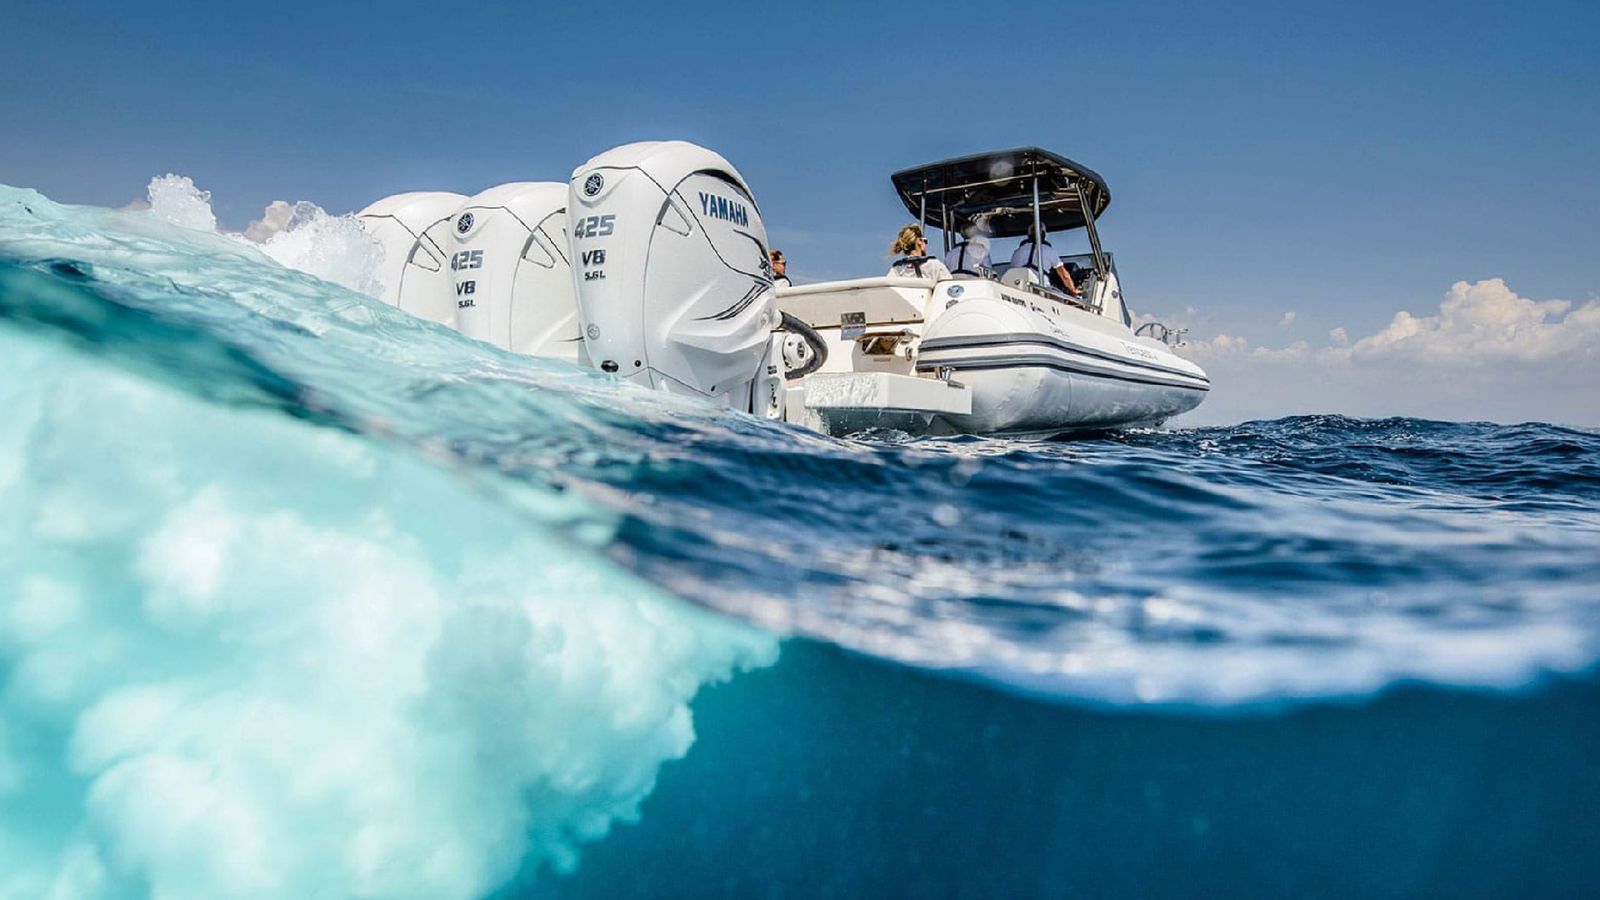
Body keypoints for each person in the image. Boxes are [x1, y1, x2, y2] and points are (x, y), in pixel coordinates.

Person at [1009, 226, 1081, 297]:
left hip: (1015, 290)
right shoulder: (1049, 250)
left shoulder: (1017, 252)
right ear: (1043, 235)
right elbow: (1065, 276)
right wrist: (1073, 290)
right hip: (1039, 291)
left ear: (1028, 235)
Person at [886, 224, 952, 280]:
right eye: (925, 241)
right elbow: (948, 287)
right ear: (920, 241)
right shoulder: (934, 265)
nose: (926, 244)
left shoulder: (897, 269)